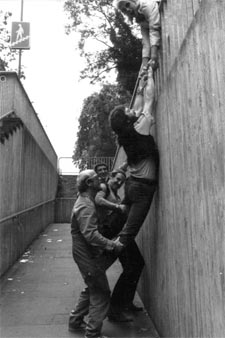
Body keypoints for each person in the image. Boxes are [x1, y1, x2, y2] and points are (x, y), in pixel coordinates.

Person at [68, 169, 123, 338]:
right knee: (100, 292)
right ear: (89, 184)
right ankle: (92, 334)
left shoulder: (87, 200)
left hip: (85, 253)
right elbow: (90, 234)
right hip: (86, 255)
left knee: (93, 286)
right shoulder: (85, 205)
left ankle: (75, 321)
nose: (100, 179)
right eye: (95, 178)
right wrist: (112, 244)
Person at [109, 66, 159, 248]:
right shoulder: (140, 128)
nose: (130, 109)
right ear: (127, 120)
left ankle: (102, 238)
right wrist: (151, 75)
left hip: (132, 185)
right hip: (142, 189)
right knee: (128, 232)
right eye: (127, 111)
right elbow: (148, 100)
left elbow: (137, 105)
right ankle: (100, 260)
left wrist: (140, 83)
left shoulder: (126, 133)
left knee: (121, 222)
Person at [95, 169, 145, 322]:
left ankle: (125, 303)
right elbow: (98, 200)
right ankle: (116, 308)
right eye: (117, 179)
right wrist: (117, 207)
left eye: (121, 181)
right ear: (110, 177)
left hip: (119, 232)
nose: (119, 182)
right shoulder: (104, 187)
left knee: (136, 265)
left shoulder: (116, 194)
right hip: (111, 234)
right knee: (133, 266)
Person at [114, 0, 161, 72]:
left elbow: (154, 29)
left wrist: (154, 57)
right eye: (124, 10)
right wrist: (144, 65)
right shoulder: (138, 17)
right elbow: (145, 40)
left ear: (133, 1)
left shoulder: (146, 6)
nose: (127, 9)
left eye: (127, 5)